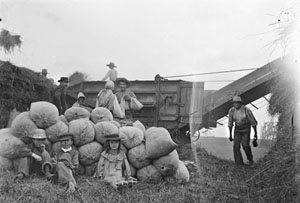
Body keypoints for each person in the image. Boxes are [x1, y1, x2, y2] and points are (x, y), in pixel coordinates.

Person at [228, 96, 258, 166]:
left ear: (240, 103)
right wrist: (230, 135)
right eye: (234, 103)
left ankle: (250, 160)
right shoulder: (231, 111)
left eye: (237, 103)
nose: (236, 105)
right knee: (236, 146)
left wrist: (255, 134)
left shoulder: (246, 110)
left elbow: (253, 122)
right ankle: (239, 163)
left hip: (246, 129)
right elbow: (230, 123)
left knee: (245, 145)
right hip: (237, 130)